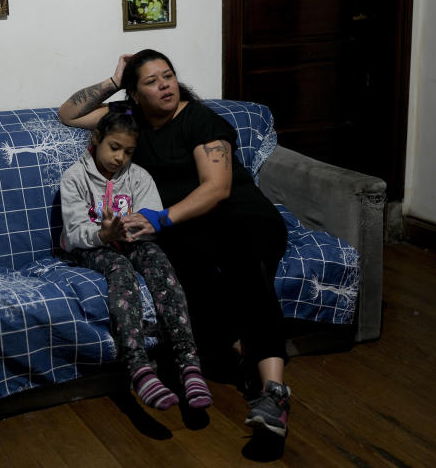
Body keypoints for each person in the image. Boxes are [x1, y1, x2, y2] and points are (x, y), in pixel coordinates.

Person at [57, 50, 293, 439]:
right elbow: (69, 114)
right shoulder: (130, 120)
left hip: (243, 217)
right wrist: (113, 82)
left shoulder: (198, 120)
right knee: (180, 272)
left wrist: (161, 218)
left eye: (168, 76)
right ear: (135, 94)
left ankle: (274, 391)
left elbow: (217, 189)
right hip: (190, 228)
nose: (165, 85)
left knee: (245, 266)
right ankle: (243, 357)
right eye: (151, 81)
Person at [60, 102, 213, 412]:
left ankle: (189, 363)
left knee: (158, 261)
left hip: (130, 242)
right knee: (120, 270)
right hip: (91, 248)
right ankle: (139, 367)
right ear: (97, 139)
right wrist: (103, 234)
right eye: (114, 148)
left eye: (128, 152)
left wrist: (137, 227)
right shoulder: (74, 178)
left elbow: (152, 218)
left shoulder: (139, 177)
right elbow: (75, 232)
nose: (120, 158)